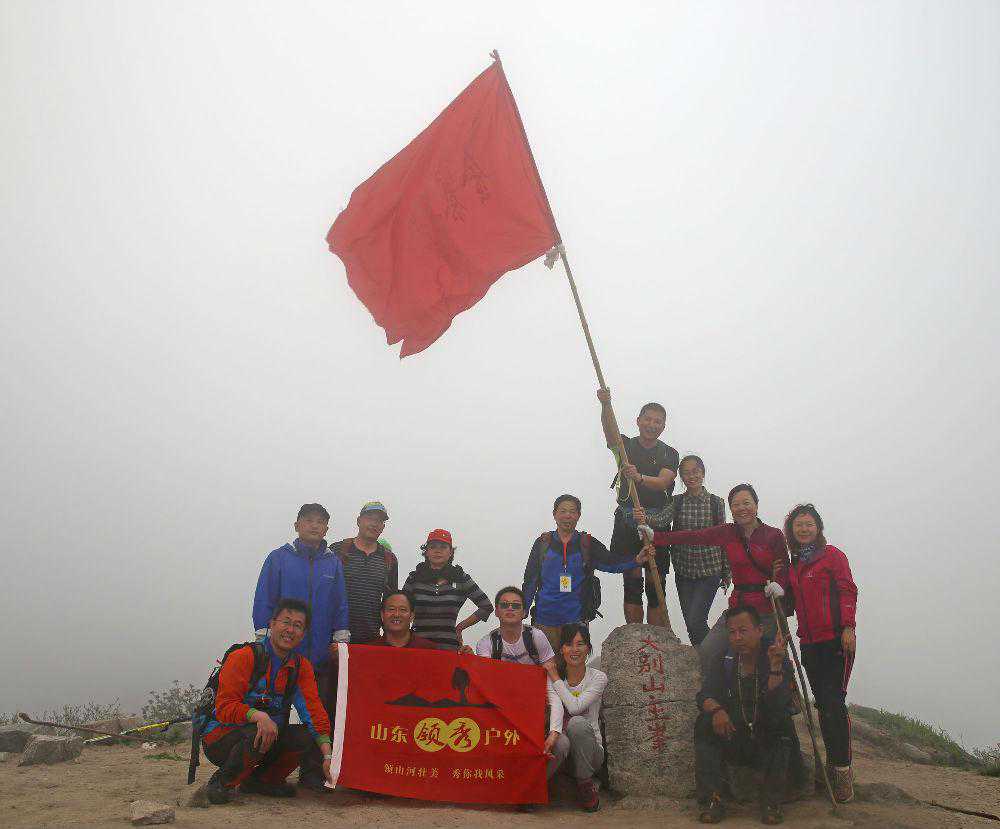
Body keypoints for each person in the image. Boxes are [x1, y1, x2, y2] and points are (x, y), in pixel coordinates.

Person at [251, 502, 348, 789]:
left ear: (327, 528)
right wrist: (263, 642)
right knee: (275, 712)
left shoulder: (333, 563)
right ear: (297, 525)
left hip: (319, 655)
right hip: (281, 654)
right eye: (308, 520)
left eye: (320, 521)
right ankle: (265, 774)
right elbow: (264, 599)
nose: (314, 525)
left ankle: (312, 774)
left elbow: (340, 604)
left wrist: (340, 641)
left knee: (319, 713)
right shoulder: (278, 558)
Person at [200, 598, 333, 803]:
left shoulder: (300, 667)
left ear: (303, 634)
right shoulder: (244, 657)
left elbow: (313, 712)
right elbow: (224, 707)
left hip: (265, 734)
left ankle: (262, 781)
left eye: (298, 625)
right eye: (286, 622)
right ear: (272, 623)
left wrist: (327, 755)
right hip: (220, 737)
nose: (290, 630)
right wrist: (257, 715)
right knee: (259, 731)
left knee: (304, 736)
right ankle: (222, 783)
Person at [651, 484, 790, 672]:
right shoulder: (728, 532)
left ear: (756, 505)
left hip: (767, 610)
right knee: (707, 652)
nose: (741, 508)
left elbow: (784, 567)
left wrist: (779, 585)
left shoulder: (773, 535)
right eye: (736, 504)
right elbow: (694, 536)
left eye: (746, 503)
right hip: (738, 607)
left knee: (769, 662)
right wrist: (656, 537)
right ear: (731, 509)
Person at [694, 606, 796, 825]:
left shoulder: (775, 656)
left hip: (765, 738)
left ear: (759, 630)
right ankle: (712, 799)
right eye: (732, 632)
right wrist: (717, 711)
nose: (737, 637)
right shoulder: (724, 659)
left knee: (783, 723)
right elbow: (704, 695)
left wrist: (776, 668)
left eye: (743, 631)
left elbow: (780, 704)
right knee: (704, 723)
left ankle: (771, 802)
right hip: (734, 735)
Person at [784, 504, 858, 802]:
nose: (804, 529)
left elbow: (848, 590)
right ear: (792, 531)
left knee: (833, 704)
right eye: (798, 525)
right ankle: (831, 764)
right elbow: (791, 603)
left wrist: (849, 627)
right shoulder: (795, 564)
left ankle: (842, 771)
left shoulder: (832, 556)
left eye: (808, 524)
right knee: (823, 706)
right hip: (809, 643)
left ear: (818, 527)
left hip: (836, 640)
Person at [522, 494, 650, 652]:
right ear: (554, 514)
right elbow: (530, 579)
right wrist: (523, 608)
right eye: (563, 511)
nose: (568, 515)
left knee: (574, 665)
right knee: (545, 666)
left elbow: (611, 562)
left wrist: (636, 560)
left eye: (572, 511)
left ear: (578, 515)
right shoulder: (543, 543)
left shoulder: (587, 543)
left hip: (576, 621)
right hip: (544, 621)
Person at [470, 587, 566, 791]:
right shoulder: (487, 644)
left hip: (537, 716)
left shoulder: (536, 637)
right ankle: (501, 789)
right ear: (496, 611)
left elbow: (552, 689)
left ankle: (528, 789)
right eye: (504, 605)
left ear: (524, 612)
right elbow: (486, 686)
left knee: (562, 745)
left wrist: (554, 732)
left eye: (516, 605)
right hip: (503, 718)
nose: (510, 609)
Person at [597, 388, 679, 626]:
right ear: (638, 421)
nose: (652, 425)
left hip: (656, 523)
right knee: (632, 582)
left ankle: (655, 635)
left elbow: (664, 481)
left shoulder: (669, 453)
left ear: (663, 426)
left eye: (657, 421)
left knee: (656, 583)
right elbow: (609, 432)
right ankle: (635, 634)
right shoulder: (625, 446)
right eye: (648, 419)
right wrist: (605, 405)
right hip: (627, 519)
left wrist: (639, 477)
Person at [670, 455, 730, 647]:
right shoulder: (676, 502)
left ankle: (715, 655)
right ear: (681, 477)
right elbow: (661, 520)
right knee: (691, 624)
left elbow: (723, 537)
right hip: (684, 571)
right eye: (686, 473)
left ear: (703, 473)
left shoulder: (716, 502)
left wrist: (726, 572)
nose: (691, 476)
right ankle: (704, 660)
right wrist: (643, 517)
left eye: (695, 471)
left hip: (709, 571)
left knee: (696, 620)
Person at [402, 529, 493, 650]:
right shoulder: (414, 578)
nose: (438, 550)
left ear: (450, 552)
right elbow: (401, 608)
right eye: (433, 547)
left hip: (449, 648)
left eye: (443, 547)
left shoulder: (461, 578)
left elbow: (486, 606)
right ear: (426, 551)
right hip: (416, 646)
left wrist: (460, 627)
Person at [550, 624, 608, 812]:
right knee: (560, 741)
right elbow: (556, 709)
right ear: (562, 649)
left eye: (580, 644)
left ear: (588, 648)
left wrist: (555, 677)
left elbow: (575, 708)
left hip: (591, 754)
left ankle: (585, 784)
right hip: (564, 755)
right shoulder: (554, 680)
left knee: (577, 723)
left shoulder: (598, 678)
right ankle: (533, 789)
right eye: (569, 644)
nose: (574, 650)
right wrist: (555, 678)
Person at [329, 501, 398, 645]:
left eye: (379, 520)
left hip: (371, 638)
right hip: (333, 635)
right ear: (359, 521)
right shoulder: (337, 550)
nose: (374, 524)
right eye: (370, 518)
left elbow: (390, 601)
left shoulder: (389, 559)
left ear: (383, 527)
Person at [372, 590, 440, 649]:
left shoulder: (428, 649)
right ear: (382, 615)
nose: (396, 614)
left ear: (412, 616)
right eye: (391, 609)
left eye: (403, 610)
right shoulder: (371, 650)